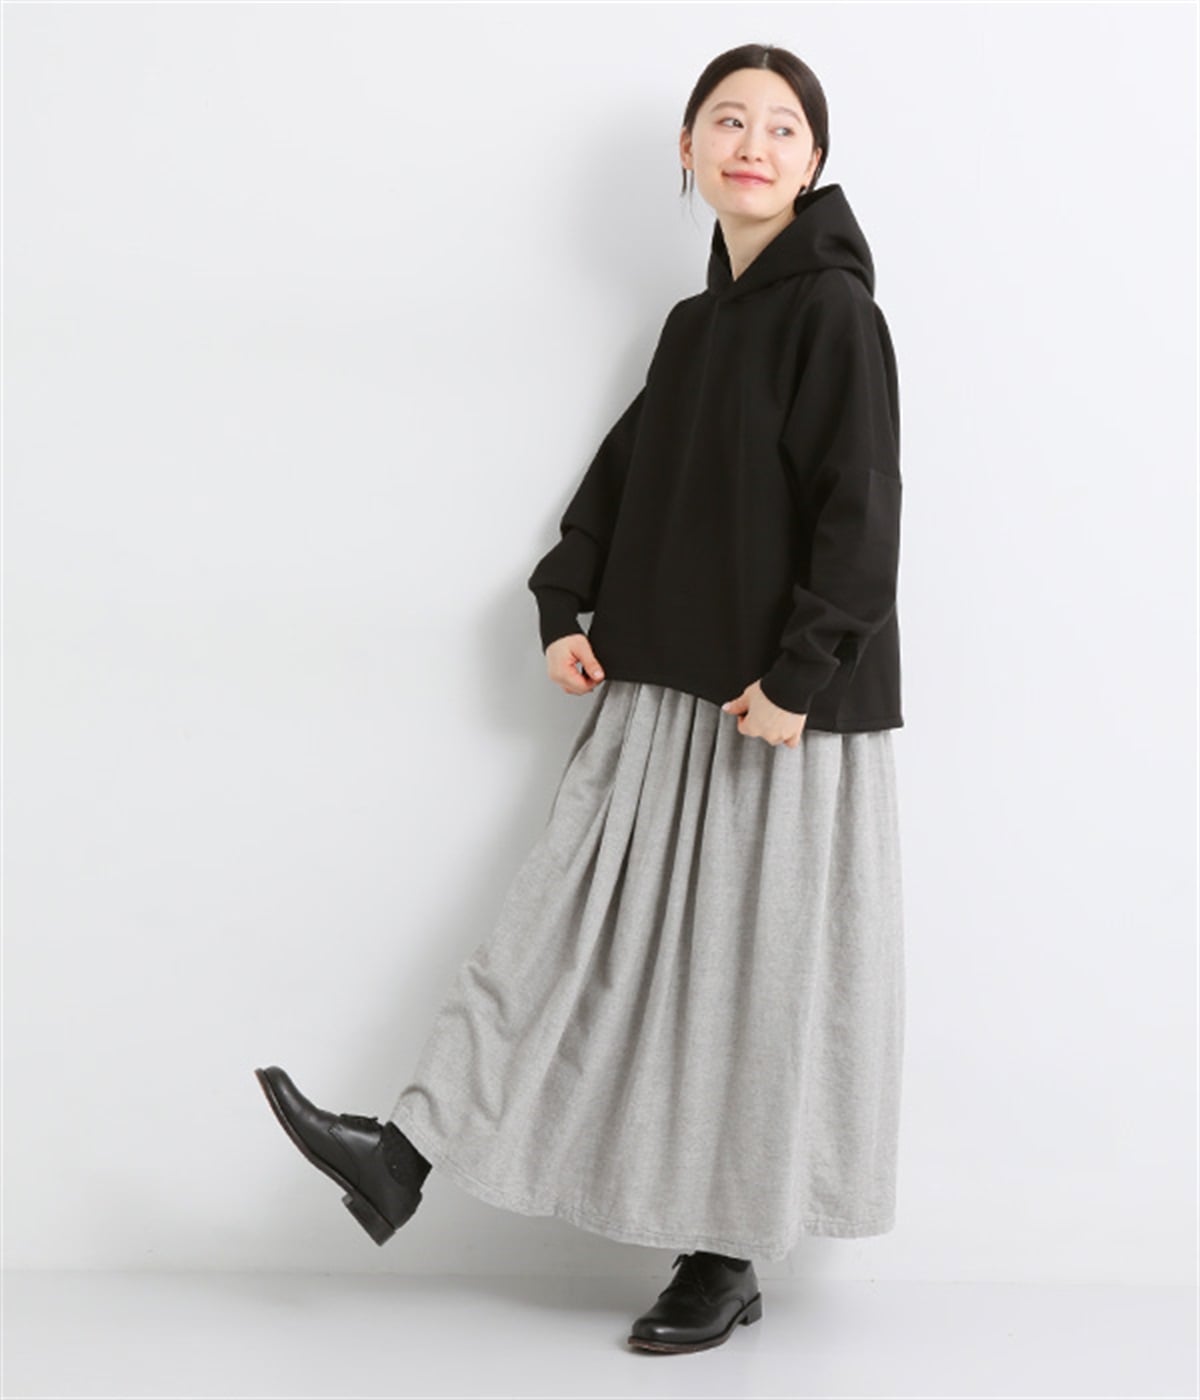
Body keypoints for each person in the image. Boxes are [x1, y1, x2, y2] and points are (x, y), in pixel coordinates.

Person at [255, 41, 906, 1357]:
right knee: (555, 931)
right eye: (728, 120)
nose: (754, 144)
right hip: (662, 694)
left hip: (776, 715)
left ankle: (724, 1253)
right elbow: (622, 480)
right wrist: (566, 603)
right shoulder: (693, 328)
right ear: (688, 149)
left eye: (783, 127)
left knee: (750, 986)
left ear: (816, 163)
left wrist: (800, 676)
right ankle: (404, 1156)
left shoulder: (836, 315)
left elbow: (864, 513)